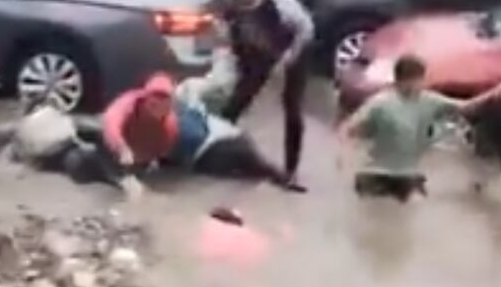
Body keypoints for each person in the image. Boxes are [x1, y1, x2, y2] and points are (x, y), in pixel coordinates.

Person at [34, 73, 305, 195]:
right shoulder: (130, 107)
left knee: (250, 169)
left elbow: (157, 153)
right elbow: (113, 123)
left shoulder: (172, 123)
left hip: (208, 147)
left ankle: (282, 179)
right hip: (199, 150)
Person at [337, 54, 501, 202]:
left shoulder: (429, 100)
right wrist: (342, 156)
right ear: (404, 81)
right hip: (375, 174)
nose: (423, 83)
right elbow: (348, 128)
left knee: (416, 212)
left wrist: (493, 94)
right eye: (419, 79)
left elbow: (465, 107)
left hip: (409, 175)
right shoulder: (380, 103)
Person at [218, 0, 315, 188]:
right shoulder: (230, 5)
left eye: (250, 2)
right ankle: (217, 150)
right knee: (238, 101)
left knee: (293, 108)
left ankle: (291, 171)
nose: (246, 7)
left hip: (292, 49)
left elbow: (306, 30)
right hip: (257, 51)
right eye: (241, 3)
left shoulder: (281, 4)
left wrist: (288, 59)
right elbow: (226, 35)